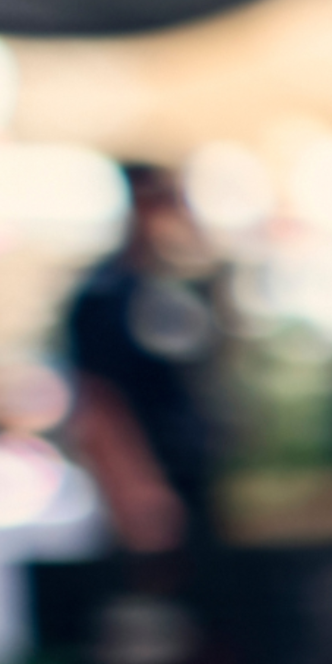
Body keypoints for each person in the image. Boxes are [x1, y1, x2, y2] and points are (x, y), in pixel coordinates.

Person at [55, 163, 232, 554]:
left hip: (201, 478)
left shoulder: (188, 284)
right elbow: (98, 399)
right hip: (147, 480)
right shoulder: (106, 295)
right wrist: (133, 486)